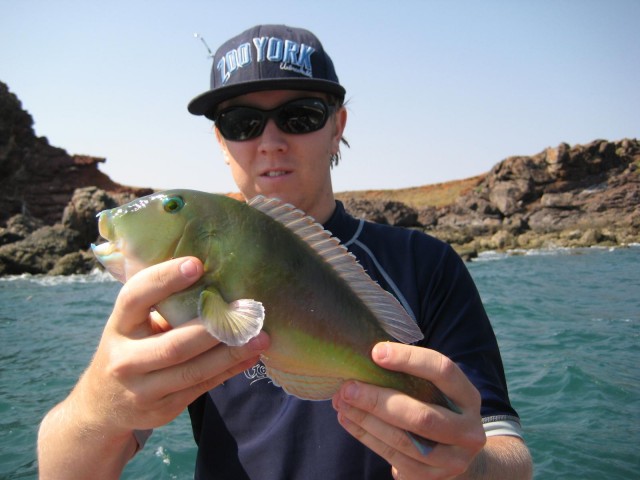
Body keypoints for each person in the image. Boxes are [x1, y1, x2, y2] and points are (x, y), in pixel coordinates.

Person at [38, 24, 532, 479]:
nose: (270, 141)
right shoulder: (167, 297)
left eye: (299, 116)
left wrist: (471, 468)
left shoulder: (426, 265)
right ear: (220, 140)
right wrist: (98, 407)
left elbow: (508, 455)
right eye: (241, 122)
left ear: (337, 126)